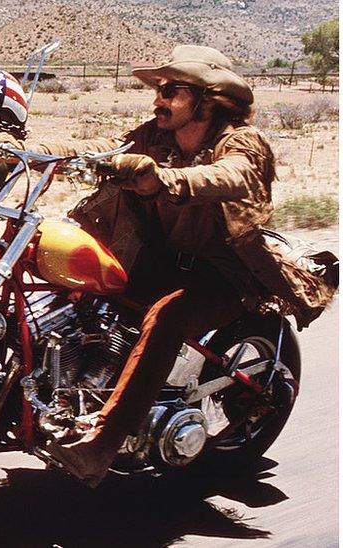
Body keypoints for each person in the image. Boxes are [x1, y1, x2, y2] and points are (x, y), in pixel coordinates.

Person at [19, 45, 336, 485]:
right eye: (159, 90)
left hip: (223, 274)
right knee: (75, 281)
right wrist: (31, 149)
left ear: (206, 100)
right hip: (161, 261)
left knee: (166, 318)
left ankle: (102, 444)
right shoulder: (158, 136)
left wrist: (163, 179)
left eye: (171, 91)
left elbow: (234, 175)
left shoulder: (242, 141)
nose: (158, 100)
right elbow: (104, 147)